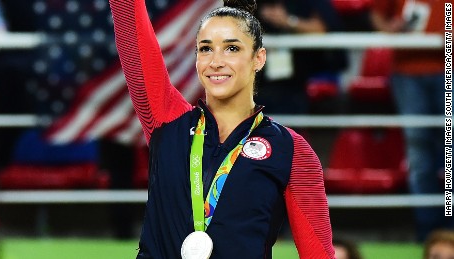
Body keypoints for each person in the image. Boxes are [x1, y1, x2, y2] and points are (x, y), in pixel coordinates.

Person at [108, 0, 334, 258]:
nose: (216, 62)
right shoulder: (166, 121)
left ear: (258, 58)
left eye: (232, 48)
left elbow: (318, 253)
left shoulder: (291, 149)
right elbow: (127, 14)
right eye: (205, 49)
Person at [371, 0, 452, 242]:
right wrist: (389, 30)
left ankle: (449, 231)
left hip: (449, 68)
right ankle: (428, 233)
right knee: (419, 155)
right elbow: (377, 15)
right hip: (407, 72)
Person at [254, 0, 348, 114]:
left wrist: (288, 21)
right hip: (261, 79)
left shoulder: (308, 4)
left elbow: (322, 29)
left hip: (299, 79)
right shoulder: (255, 4)